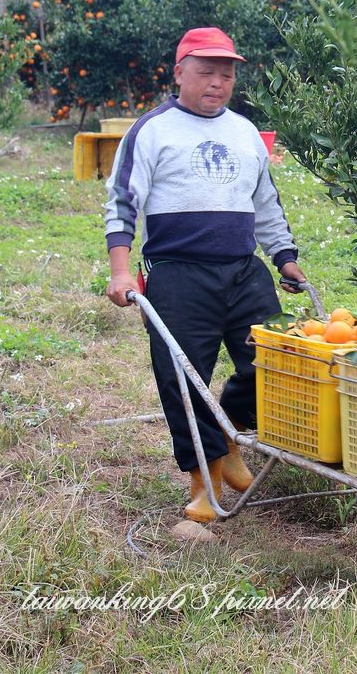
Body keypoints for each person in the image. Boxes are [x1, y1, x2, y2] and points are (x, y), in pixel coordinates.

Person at [104, 26, 306, 522]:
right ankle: (204, 481)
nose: (218, 82)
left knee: (277, 364)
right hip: (178, 274)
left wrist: (283, 256)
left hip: (243, 271)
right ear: (179, 73)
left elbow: (265, 203)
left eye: (227, 74)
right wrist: (121, 270)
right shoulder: (151, 130)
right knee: (183, 379)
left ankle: (232, 430)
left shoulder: (243, 132)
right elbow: (123, 201)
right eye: (206, 71)